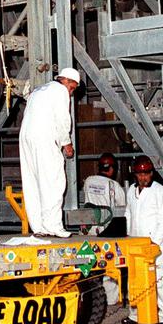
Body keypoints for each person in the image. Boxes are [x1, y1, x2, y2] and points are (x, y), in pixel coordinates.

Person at [18, 67, 81, 238]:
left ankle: (38, 226)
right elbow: (62, 118)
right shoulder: (60, 91)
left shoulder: (38, 91)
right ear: (66, 80)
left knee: (33, 182)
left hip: (26, 137)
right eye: (72, 88)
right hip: (43, 137)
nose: (71, 92)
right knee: (53, 181)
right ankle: (54, 226)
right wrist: (66, 143)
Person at [123, 154, 163, 324]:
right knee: (134, 279)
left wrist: (155, 241)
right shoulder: (131, 191)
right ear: (135, 175)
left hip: (154, 244)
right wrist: (128, 235)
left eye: (146, 174)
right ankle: (135, 314)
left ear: (152, 173)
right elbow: (128, 213)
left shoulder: (160, 191)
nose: (143, 177)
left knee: (159, 279)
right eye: (140, 174)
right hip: (135, 243)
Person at [82, 152, 127, 304]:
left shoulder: (88, 181)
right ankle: (111, 299)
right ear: (112, 169)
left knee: (89, 264)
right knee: (109, 262)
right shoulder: (114, 186)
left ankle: (89, 297)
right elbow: (122, 208)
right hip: (107, 230)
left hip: (89, 230)